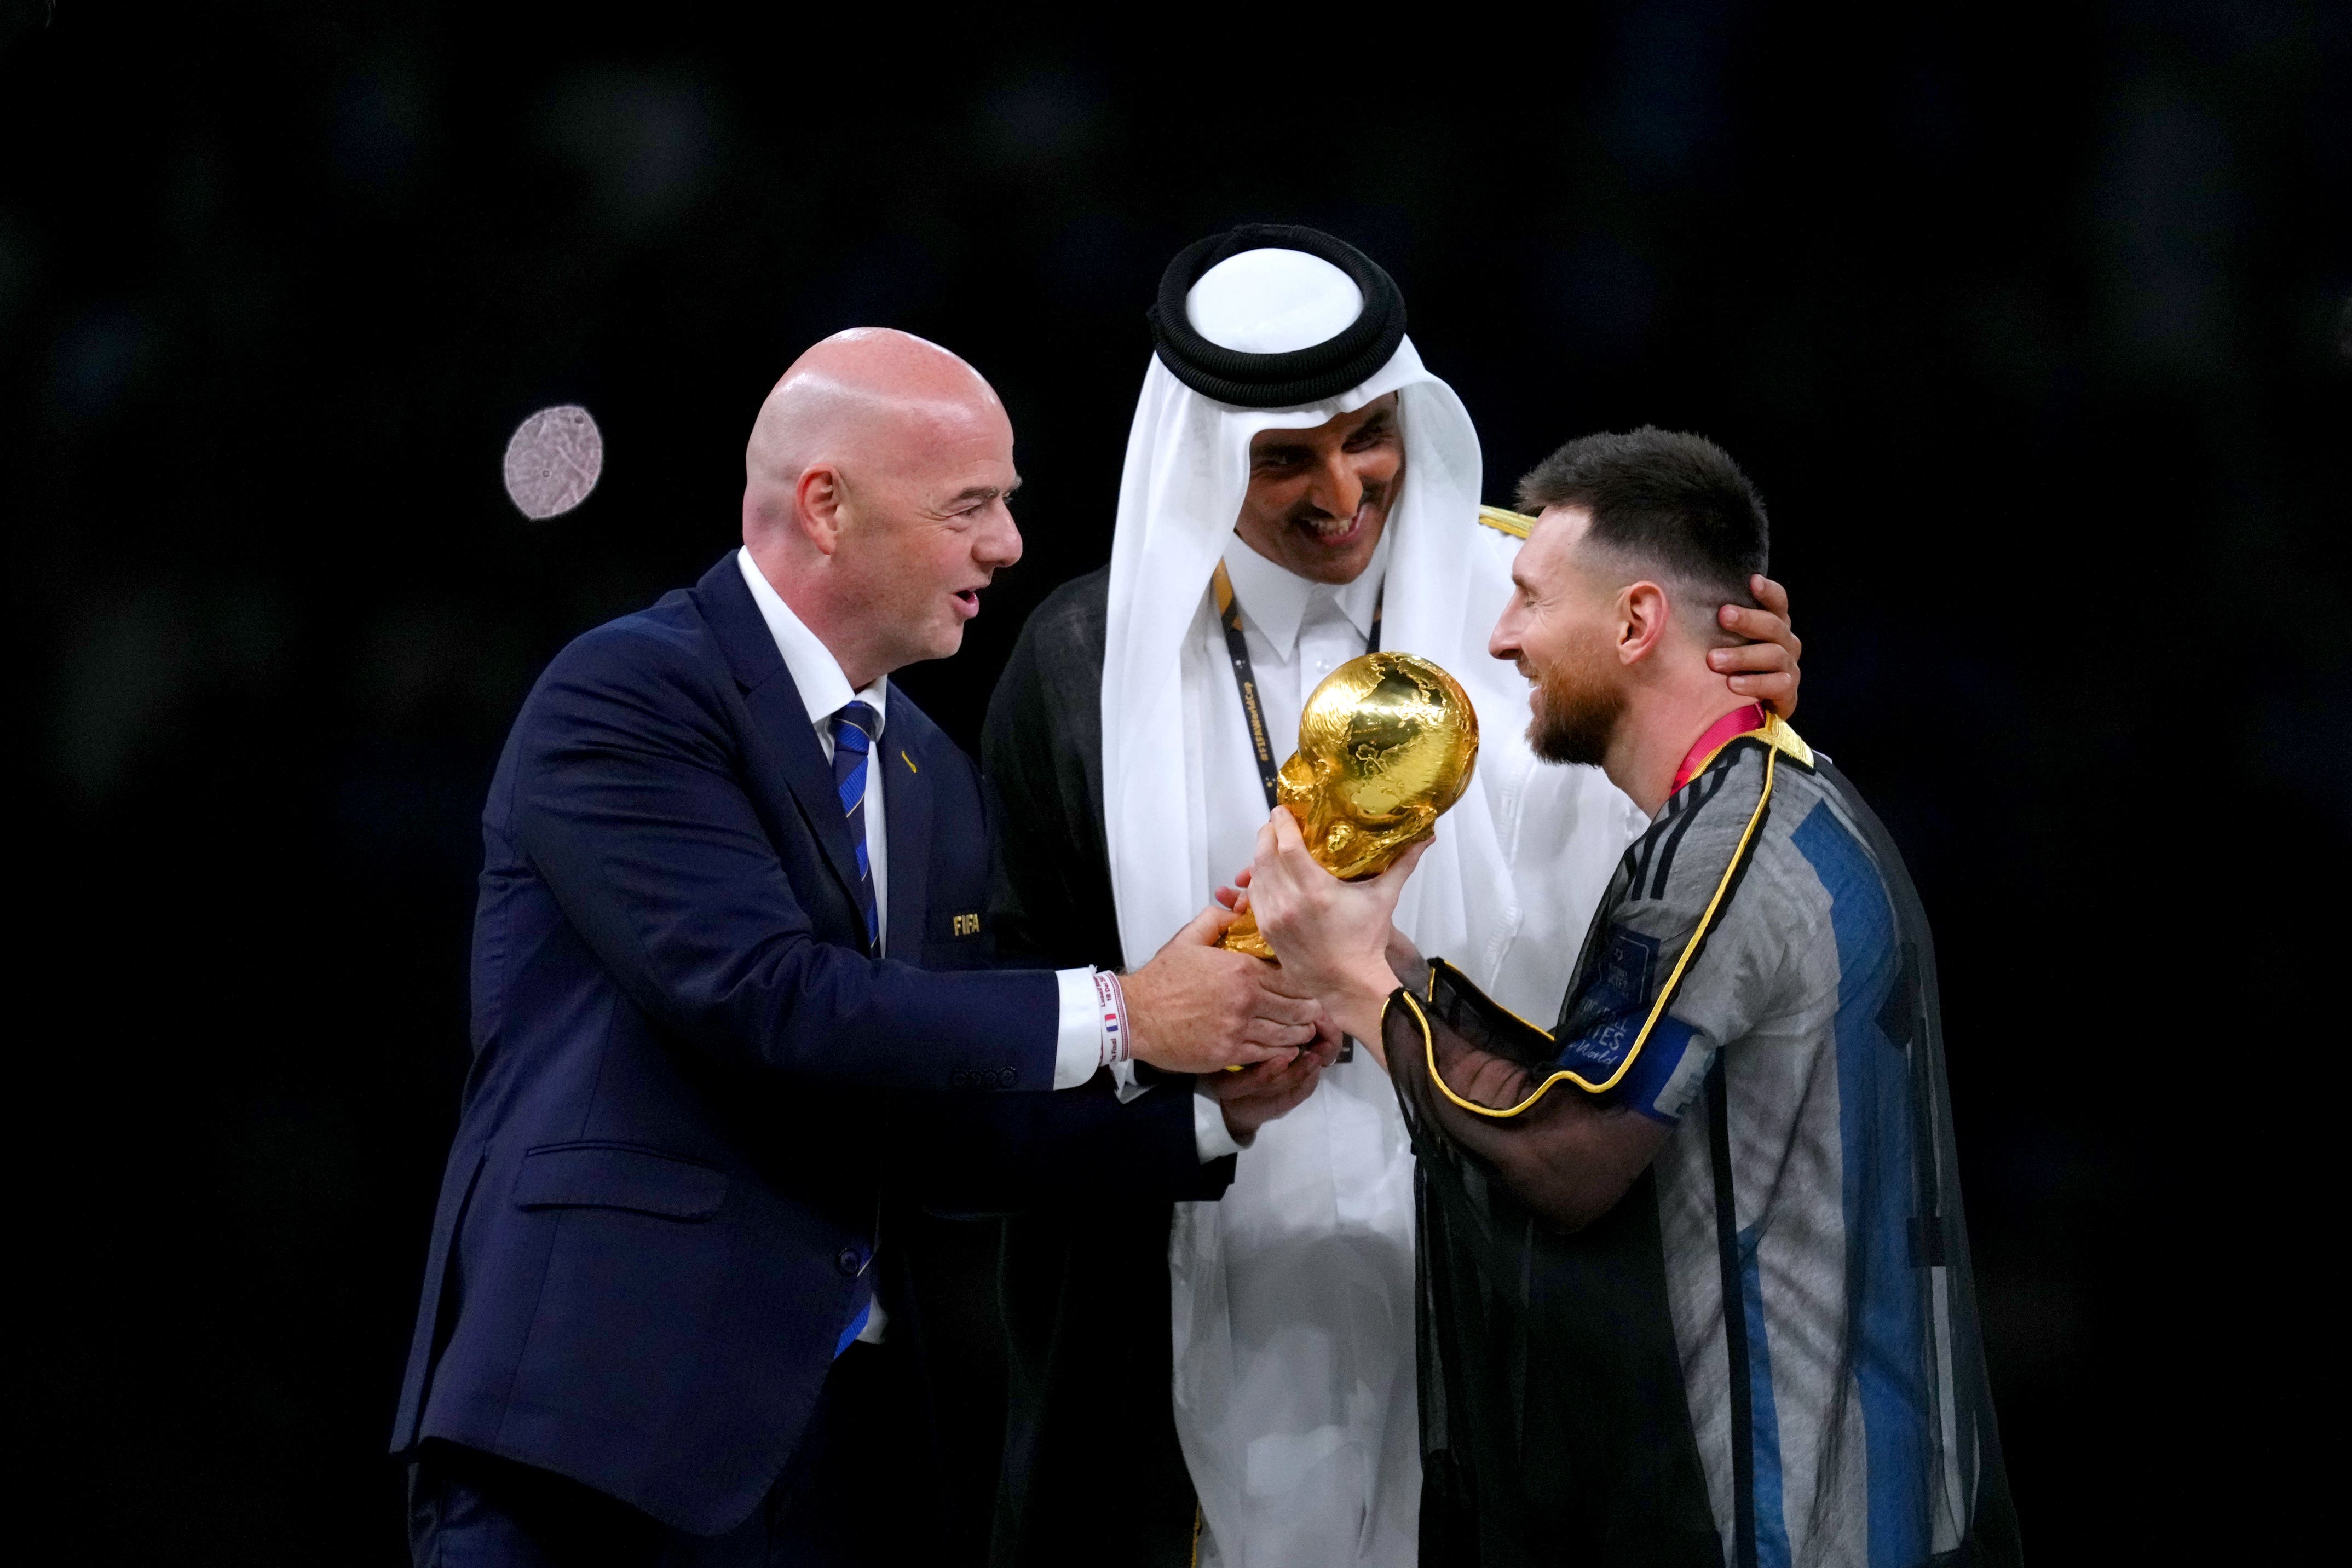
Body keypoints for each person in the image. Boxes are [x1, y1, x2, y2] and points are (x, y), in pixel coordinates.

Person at [388, 328, 1337, 1566]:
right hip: (594, 1432)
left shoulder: (929, 773)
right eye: (970, 506)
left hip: (843, 1459)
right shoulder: (628, 693)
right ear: (826, 506)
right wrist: (1125, 1012)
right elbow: (764, 996)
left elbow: (936, 1116)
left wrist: (1210, 1110)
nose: (1009, 544)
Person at [982, 228, 1803, 1567]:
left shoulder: (1550, 610)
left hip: (1505, 1274)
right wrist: (1158, 1027)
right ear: (1204, 459)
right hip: (1204, 1288)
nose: (1341, 490)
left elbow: (1713, 878)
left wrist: (1738, 727)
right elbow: (1012, 1036)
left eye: (1369, 436)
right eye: (1283, 458)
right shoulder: (1083, 667)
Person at [1247, 427, 2020, 1567]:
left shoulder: (1727, 853)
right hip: (1839, 1490)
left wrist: (1358, 989)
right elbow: (1588, 1081)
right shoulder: (1758, 809)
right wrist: (1378, 956)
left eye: (1529, 599)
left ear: (1636, 621)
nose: (1502, 638)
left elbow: (1566, 1156)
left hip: (1787, 1514)